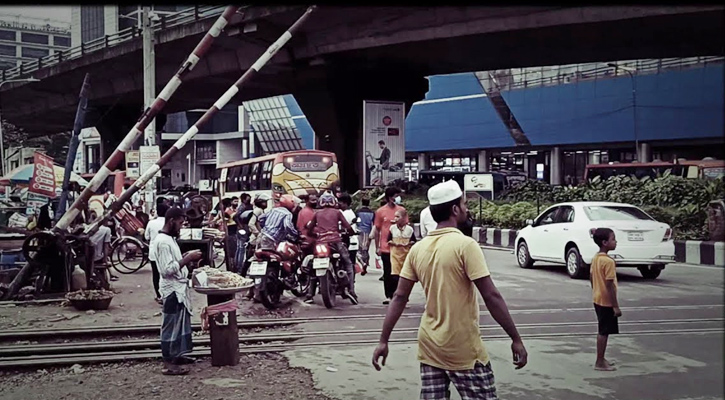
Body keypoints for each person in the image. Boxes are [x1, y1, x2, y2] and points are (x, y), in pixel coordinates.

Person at [372, 180, 528, 398]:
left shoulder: (418, 249)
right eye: (464, 204)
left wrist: (383, 340)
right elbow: (491, 295)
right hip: (462, 348)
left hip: (430, 347)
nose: (467, 209)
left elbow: (399, 297)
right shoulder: (465, 245)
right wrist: (516, 338)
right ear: (455, 209)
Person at [151, 207, 203, 376]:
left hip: (178, 287)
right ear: (172, 221)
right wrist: (188, 258)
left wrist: (185, 258)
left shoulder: (169, 239)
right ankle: (168, 363)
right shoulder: (163, 241)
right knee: (171, 326)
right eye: (180, 223)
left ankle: (177, 355)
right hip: (172, 289)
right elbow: (167, 270)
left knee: (180, 324)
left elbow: (174, 262)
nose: (181, 227)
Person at [306, 192, 357, 304]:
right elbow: (347, 227)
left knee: (314, 266)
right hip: (336, 242)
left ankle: (310, 293)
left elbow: (309, 229)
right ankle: (352, 290)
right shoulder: (337, 212)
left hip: (321, 243)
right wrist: (352, 232)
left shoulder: (317, 214)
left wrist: (315, 235)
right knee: (348, 263)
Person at [590, 227, 620, 371]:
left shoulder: (596, 258)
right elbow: (610, 286)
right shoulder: (608, 262)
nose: (615, 241)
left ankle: (602, 358)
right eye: (613, 239)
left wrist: (595, 289)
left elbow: (591, 277)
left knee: (603, 329)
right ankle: (599, 361)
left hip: (597, 298)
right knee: (604, 331)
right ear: (604, 242)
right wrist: (615, 306)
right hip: (606, 301)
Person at [375, 187, 405, 304]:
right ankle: (389, 295)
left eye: (397, 195)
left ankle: (399, 294)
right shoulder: (380, 211)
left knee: (399, 272)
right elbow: (377, 229)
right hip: (386, 247)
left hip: (399, 246)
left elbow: (407, 227)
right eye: (394, 196)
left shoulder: (402, 210)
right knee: (388, 272)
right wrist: (377, 246)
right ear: (388, 197)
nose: (396, 198)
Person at [145, 202, 169, 305]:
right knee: (167, 274)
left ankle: (159, 295)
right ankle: (166, 294)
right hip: (166, 252)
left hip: (153, 252)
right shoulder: (168, 222)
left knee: (156, 274)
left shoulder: (151, 223)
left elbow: (146, 237)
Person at [387, 208, 416, 291]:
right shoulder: (392, 228)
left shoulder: (409, 229)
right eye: (395, 216)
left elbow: (413, 241)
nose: (395, 218)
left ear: (403, 218)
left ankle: (403, 293)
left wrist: (407, 244)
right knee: (395, 275)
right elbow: (388, 240)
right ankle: (395, 292)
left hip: (406, 255)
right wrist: (395, 243)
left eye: (398, 217)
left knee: (404, 275)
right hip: (395, 255)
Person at [356, 197, 375, 275]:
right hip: (368, 232)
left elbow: (356, 221)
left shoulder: (358, 212)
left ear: (362, 203)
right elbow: (374, 224)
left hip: (359, 232)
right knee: (366, 249)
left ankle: (362, 262)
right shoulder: (372, 213)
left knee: (359, 249)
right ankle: (365, 264)